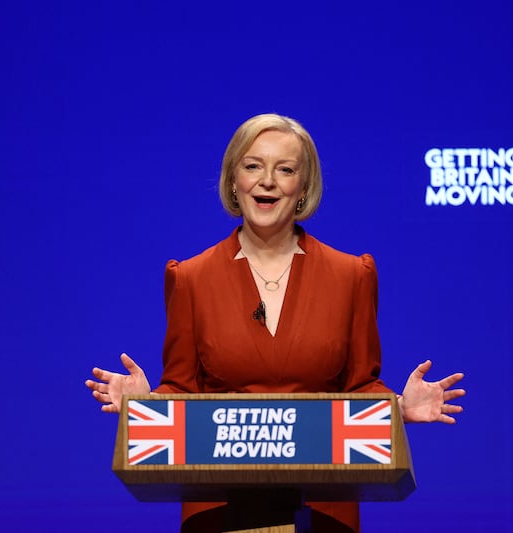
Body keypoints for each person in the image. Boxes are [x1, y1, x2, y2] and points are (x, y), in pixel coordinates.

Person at [85, 113, 465, 532]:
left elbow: (359, 387)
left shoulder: (351, 275)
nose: (267, 181)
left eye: (285, 170)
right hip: (219, 508)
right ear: (233, 181)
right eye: (253, 166)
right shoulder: (190, 278)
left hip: (323, 508)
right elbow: (183, 388)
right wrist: (148, 406)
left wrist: (398, 408)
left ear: (303, 188)